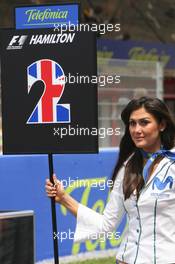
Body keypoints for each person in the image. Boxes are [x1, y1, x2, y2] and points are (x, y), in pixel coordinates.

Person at [45, 97, 175, 264]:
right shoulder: (127, 167)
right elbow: (107, 224)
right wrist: (64, 198)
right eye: (132, 123)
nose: (136, 129)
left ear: (162, 125)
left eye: (144, 122)